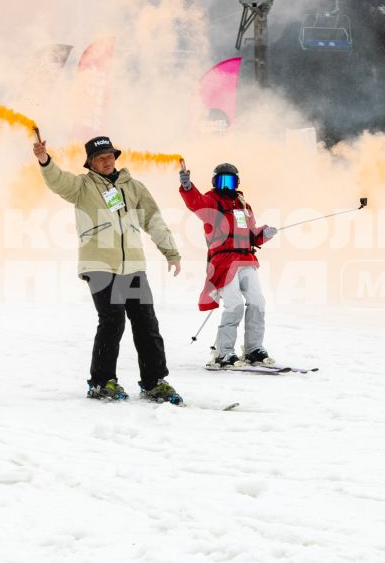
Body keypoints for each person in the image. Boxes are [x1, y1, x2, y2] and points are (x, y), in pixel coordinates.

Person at [34, 132, 185, 402]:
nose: (107, 161)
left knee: (146, 322)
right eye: (100, 158)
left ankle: (154, 382)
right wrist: (45, 160)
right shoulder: (82, 186)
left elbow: (153, 220)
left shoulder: (133, 187)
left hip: (133, 266)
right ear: (90, 162)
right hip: (100, 264)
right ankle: (102, 381)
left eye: (110, 156)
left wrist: (171, 251)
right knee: (112, 320)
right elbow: (58, 182)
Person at [180, 160, 277, 368]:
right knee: (234, 304)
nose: (226, 186)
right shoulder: (211, 201)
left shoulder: (244, 205)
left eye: (230, 181)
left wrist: (264, 234)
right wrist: (188, 187)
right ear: (215, 182)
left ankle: (254, 349)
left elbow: (252, 236)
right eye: (222, 181)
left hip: (246, 259)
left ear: (237, 183)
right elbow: (195, 203)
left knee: (258, 302)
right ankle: (223, 352)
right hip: (224, 261)